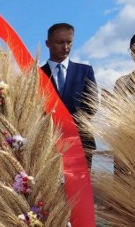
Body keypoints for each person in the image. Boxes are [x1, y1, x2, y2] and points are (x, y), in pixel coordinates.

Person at [40, 23, 98, 168]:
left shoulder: (85, 71)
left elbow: (92, 105)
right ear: (48, 44)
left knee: (79, 191)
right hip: (47, 146)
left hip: (81, 144)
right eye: (60, 42)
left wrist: (68, 125)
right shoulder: (36, 76)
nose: (65, 47)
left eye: (69, 42)